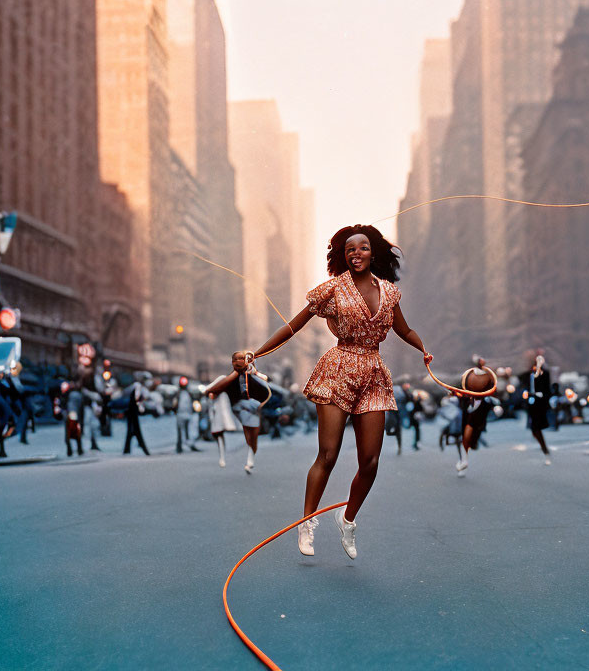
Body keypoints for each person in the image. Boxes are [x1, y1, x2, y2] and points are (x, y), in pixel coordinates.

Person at [250, 224, 430, 559]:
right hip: (338, 370)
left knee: (371, 461)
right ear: (342, 256)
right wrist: (256, 353)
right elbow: (293, 325)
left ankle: (347, 518)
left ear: (372, 252)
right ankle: (306, 523)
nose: (356, 254)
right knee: (328, 455)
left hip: (374, 374)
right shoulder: (333, 289)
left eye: (362, 248)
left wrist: (423, 349)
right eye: (349, 250)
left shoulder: (389, 292)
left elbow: (403, 329)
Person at [206, 354, 271, 474]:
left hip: (253, 407)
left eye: (241, 359)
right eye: (235, 359)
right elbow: (213, 390)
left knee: (253, 436)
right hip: (239, 408)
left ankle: (250, 459)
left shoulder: (253, 375)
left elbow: (265, 385)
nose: (238, 361)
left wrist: (255, 373)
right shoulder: (229, 378)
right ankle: (247, 459)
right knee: (248, 434)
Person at [454, 366, 495, 477]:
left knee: (470, 441)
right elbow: (456, 395)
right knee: (464, 440)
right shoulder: (465, 397)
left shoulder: (486, 400)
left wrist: (496, 409)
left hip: (478, 425)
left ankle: (465, 457)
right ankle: (464, 460)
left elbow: (494, 404)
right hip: (467, 423)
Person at [518, 354, 552, 464]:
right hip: (531, 403)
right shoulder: (529, 375)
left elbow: (547, 389)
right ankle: (544, 447)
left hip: (540, 403)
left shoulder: (545, 374)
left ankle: (544, 448)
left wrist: (543, 396)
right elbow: (521, 380)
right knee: (534, 427)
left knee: (536, 426)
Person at [122, 378, 150, 456]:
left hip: (130, 411)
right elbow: (137, 398)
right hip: (133, 412)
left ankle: (127, 450)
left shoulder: (134, 387)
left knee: (131, 432)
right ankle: (139, 447)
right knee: (135, 431)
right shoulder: (138, 387)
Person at [174, 376, 200, 454]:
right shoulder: (178, 393)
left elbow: (193, 402)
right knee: (180, 431)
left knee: (189, 430)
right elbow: (175, 403)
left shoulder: (189, 393)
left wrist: (195, 409)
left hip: (188, 414)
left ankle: (190, 444)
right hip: (180, 414)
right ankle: (179, 446)